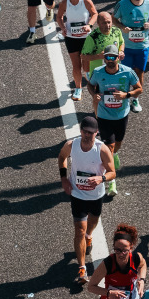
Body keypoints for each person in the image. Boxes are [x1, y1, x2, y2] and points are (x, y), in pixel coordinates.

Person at [58, 114, 116, 285]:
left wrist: (101, 179)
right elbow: (62, 157)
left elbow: (113, 172)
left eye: (91, 133)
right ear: (81, 131)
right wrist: (64, 179)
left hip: (96, 195)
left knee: (92, 222)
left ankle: (90, 236)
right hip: (77, 194)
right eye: (85, 132)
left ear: (96, 133)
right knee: (79, 231)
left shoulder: (102, 149)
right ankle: (82, 268)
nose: (87, 135)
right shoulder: (72, 145)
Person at [88, 44, 141, 192]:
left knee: (118, 143)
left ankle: (115, 154)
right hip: (104, 115)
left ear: (118, 58)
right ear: (104, 58)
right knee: (109, 147)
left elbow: (139, 88)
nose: (110, 60)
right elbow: (90, 85)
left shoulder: (127, 72)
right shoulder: (98, 72)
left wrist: (126, 95)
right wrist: (94, 95)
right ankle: (111, 180)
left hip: (121, 115)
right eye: (107, 57)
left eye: (113, 57)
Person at [114, 0, 149, 111]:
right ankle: (123, 98)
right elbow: (114, 19)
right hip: (126, 47)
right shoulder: (122, 4)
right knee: (125, 74)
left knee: (139, 73)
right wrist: (122, 27)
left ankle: (135, 99)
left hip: (142, 47)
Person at [87, 223, 147, 299]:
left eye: (124, 251)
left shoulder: (136, 258)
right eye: (117, 250)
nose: (121, 254)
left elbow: (143, 265)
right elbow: (91, 286)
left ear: (131, 248)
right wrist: (108, 293)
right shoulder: (108, 264)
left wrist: (142, 280)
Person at [56, 0, 97, 101]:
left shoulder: (85, 1)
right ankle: (78, 89)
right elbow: (59, 16)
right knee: (76, 66)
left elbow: (94, 13)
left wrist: (89, 25)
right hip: (71, 38)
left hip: (85, 38)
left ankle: (91, 82)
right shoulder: (64, 3)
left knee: (86, 66)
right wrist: (63, 27)